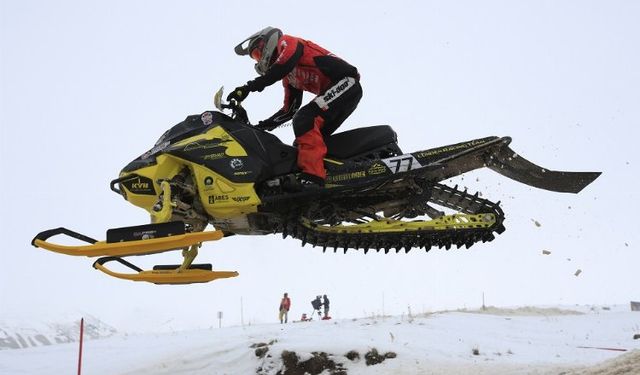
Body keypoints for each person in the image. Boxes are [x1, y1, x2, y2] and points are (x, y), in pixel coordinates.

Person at [228, 27, 362, 190]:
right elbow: (289, 110)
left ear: (267, 42)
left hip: (346, 81)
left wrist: (247, 88)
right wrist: (259, 127)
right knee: (302, 142)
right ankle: (339, 173)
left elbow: (283, 65)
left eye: (257, 54)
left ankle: (313, 177)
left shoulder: (288, 42)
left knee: (306, 118)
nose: (259, 60)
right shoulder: (289, 78)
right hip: (340, 92)